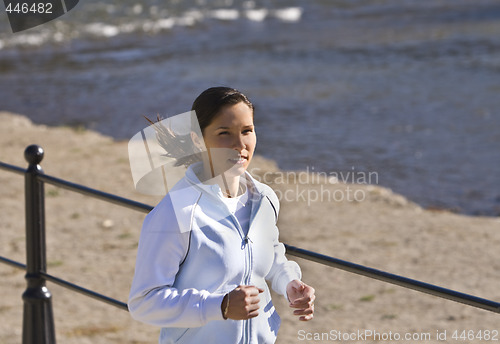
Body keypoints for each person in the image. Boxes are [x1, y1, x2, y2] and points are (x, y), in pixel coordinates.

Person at [128, 87, 315, 344]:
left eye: (246, 131)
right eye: (224, 133)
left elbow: (271, 255)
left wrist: (289, 283)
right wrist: (221, 307)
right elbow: (144, 301)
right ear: (197, 140)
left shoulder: (264, 198)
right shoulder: (177, 212)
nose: (240, 145)